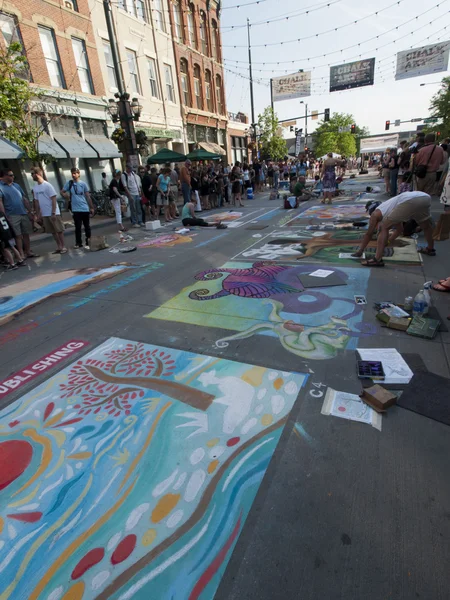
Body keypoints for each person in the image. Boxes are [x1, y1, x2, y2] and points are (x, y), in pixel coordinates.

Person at [351, 191, 435, 266]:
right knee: (426, 226)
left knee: (384, 227)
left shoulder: (375, 214)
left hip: (410, 201)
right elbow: (399, 230)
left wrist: (360, 250)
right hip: (425, 198)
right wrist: (388, 241)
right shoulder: (391, 210)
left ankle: (377, 259)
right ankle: (430, 249)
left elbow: (369, 234)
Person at [0, 169, 38, 259]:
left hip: (23, 212)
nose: (13, 177)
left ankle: (28, 251)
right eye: (10, 175)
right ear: (4, 176)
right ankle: (21, 253)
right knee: (17, 235)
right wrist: (4, 216)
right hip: (12, 214)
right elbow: (0, 202)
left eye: (13, 175)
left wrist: (30, 211)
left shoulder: (16, 185)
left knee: (26, 233)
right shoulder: (1, 187)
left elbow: (24, 199)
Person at [31, 168, 67, 254]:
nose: (31, 176)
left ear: (37, 174)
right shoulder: (35, 188)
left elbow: (53, 199)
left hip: (53, 212)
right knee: (52, 231)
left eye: (32, 174)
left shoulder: (47, 185)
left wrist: (53, 212)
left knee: (59, 230)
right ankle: (59, 246)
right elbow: (36, 201)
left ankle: (63, 246)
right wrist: (38, 213)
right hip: (45, 213)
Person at [61, 167, 94, 250]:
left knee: (87, 226)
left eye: (75, 173)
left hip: (84, 208)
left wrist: (91, 207)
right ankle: (78, 242)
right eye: (72, 173)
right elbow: (62, 191)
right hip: (75, 209)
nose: (73, 175)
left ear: (78, 174)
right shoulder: (69, 183)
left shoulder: (83, 184)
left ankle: (88, 241)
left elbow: (87, 196)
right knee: (78, 227)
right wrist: (66, 196)